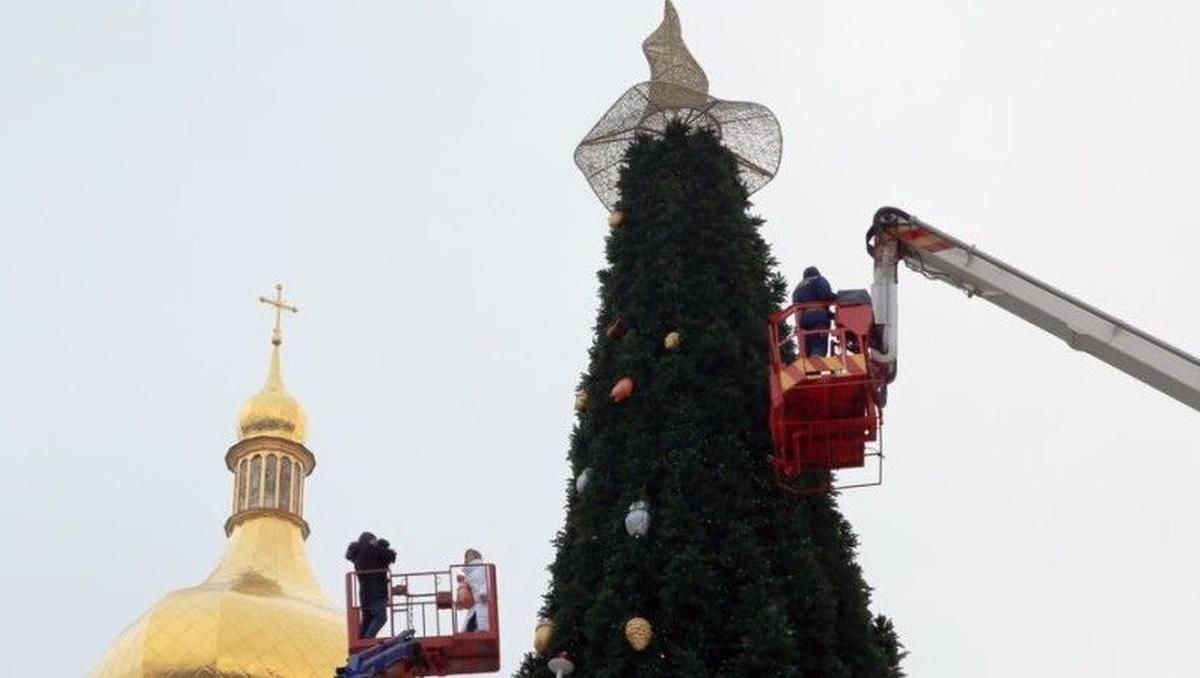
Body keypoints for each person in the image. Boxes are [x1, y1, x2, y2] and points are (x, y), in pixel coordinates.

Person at [345, 531, 397, 639]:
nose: (375, 542)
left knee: (367, 619)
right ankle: (368, 638)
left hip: (364, 592)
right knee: (381, 617)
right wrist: (383, 546)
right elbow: (390, 556)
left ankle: (361, 639)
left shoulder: (357, 554)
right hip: (377, 591)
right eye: (373, 540)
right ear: (369, 541)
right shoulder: (373, 550)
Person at [792, 266, 836, 357]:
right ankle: (816, 357)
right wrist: (837, 297)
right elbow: (825, 295)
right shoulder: (819, 280)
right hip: (818, 318)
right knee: (818, 344)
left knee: (808, 345)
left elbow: (797, 306)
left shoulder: (798, 287)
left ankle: (808, 360)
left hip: (803, 320)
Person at [459, 548, 489, 632]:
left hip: (482, 601)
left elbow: (487, 581)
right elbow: (467, 589)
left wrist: (483, 592)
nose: (466, 558)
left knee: (478, 624)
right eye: (465, 557)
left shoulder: (482, 568)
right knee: (470, 627)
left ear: (475, 556)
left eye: (468, 555)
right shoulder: (469, 573)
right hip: (476, 604)